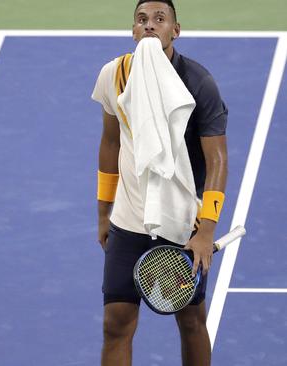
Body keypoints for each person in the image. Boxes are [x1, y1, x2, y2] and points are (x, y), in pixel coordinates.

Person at [91, 1, 228, 365]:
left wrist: (206, 228)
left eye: (159, 19)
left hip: (182, 223)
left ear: (175, 31)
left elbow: (217, 159)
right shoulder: (114, 75)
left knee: (191, 320)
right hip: (129, 219)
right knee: (115, 323)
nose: (149, 25)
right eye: (141, 20)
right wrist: (104, 211)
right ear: (134, 31)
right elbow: (110, 143)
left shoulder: (199, 84)